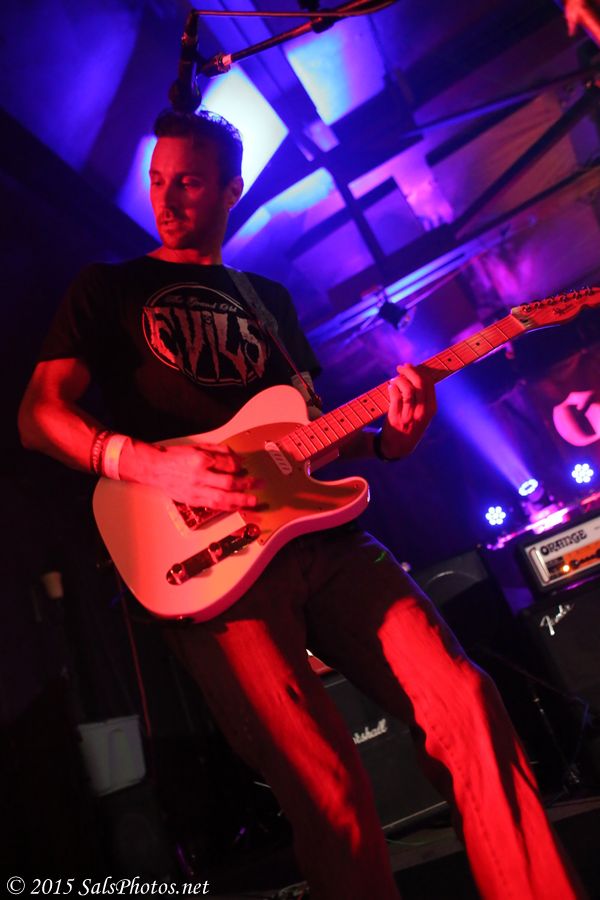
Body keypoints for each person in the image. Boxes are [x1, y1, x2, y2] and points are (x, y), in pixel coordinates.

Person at [18, 109, 583, 900]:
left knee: (468, 705)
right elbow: (39, 414)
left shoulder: (268, 302)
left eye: (188, 182)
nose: (167, 198)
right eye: (157, 180)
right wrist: (148, 462)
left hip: (327, 542)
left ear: (230, 190)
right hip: (213, 568)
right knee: (327, 787)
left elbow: (308, 438)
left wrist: (390, 439)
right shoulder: (107, 289)